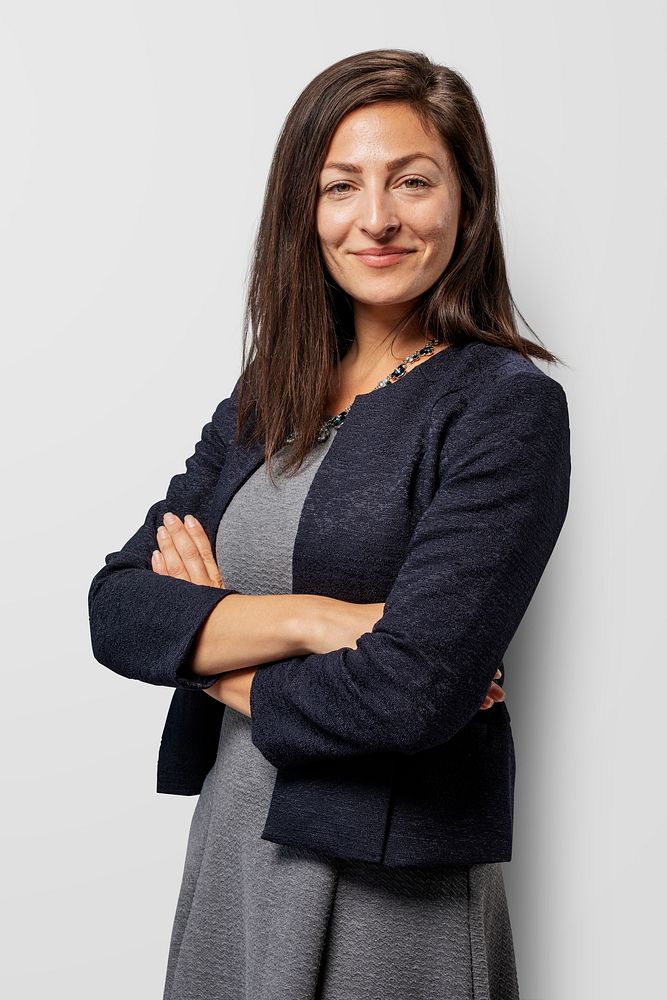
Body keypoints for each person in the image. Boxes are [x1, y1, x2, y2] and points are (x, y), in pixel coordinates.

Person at [88, 49, 571, 1000]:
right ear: (304, 213)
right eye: (340, 185)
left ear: (465, 202)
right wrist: (320, 620)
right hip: (236, 853)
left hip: (390, 889)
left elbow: (410, 695)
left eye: (413, 182)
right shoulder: (266, 399)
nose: (376, 218)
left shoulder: (501, 408)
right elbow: (119, 608)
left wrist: (214, 641)